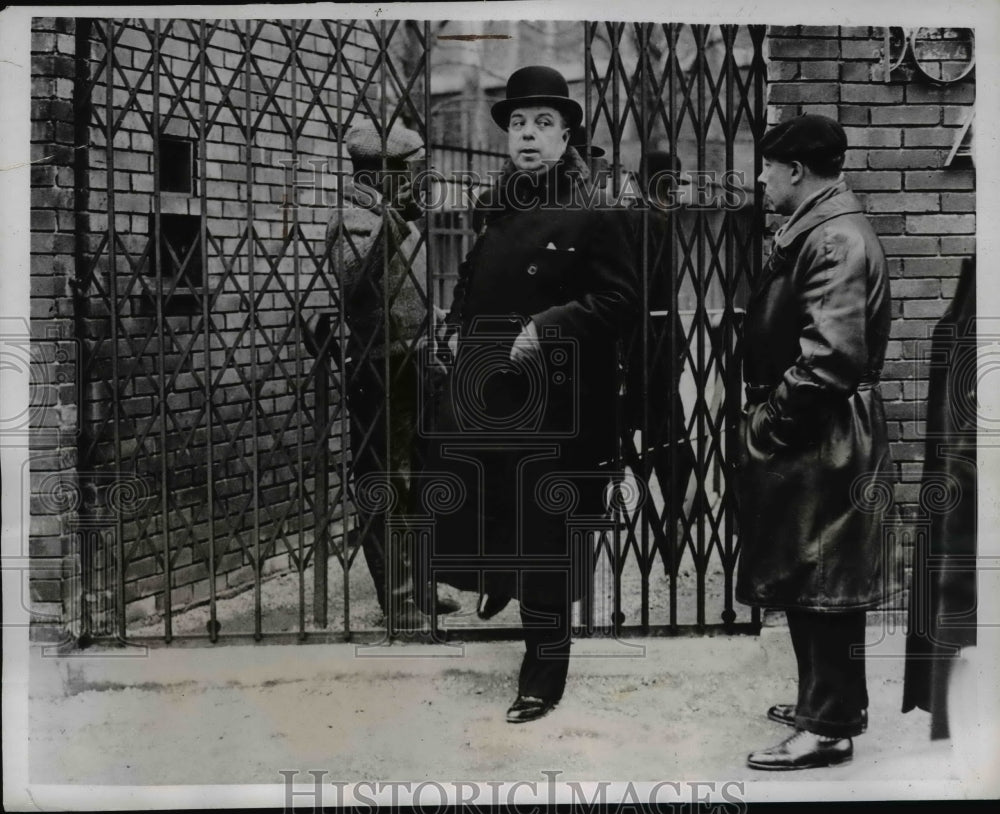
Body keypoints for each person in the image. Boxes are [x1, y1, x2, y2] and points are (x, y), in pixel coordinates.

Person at [424, 65, 639, 723]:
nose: (527, 134)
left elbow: (620, 302)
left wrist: (546, 328)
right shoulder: (498, 207)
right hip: (490, 396)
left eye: (543, 123)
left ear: (566, 135)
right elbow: (475, 282)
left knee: (545, 538)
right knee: (492, 515)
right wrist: (454, 326)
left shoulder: (595, 212)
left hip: (557, 404)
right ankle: (500, 586)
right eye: (518, 122)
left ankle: (543, 675)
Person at [735, 114, 894, 769]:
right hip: (818, 432)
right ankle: (822, 704)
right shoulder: (821, 228)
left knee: (825, 580)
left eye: (768, 167)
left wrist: (767, 424)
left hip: (821, 432)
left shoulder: (832, 238)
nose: (761, 179)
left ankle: (828, 728)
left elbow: (829, 359)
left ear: (796, 170)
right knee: (812, 575)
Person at [323, 119, 459, 630]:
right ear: (378, 173)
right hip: (379, 368)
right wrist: (393, 222)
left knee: (421, 479)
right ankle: (398, 600)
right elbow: (355, 281)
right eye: (409, 172)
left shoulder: (404, 221)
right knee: (386, 482)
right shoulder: (352, 219)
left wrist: (437, 319)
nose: (418, 181)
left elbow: (407, 295)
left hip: (418, 363)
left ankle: (422, 585)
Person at [623, 150, 694, 524]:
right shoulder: (651, 220)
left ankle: (678, 506)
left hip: (647, 339)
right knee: (663, 425)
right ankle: (681, 506)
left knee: (657, 424)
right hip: (651, 340)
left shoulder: (639, 217)